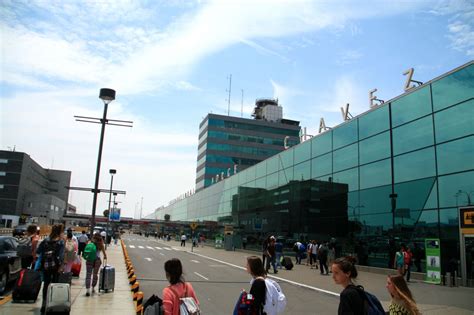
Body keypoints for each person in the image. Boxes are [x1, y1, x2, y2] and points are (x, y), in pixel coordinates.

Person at [35, 224, 65, 314]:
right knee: (55, 285)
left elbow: (38, 251)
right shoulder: (60, 241)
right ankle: (52, 304)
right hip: (56, 266)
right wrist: (61, 266)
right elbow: (61, 256)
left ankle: (44, 304)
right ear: (60, 231)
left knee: (46, 284)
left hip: (46, 265)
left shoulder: (46, 240)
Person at [85, 232, 107, 297]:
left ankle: (87, 290)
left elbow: (87, 249)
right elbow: (104, 253)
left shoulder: (91, 242)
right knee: (95, 274)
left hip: (89, 260)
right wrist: (105, 256)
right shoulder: (101, 244)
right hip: (97, 260)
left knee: (88, 274)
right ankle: (93, 287)